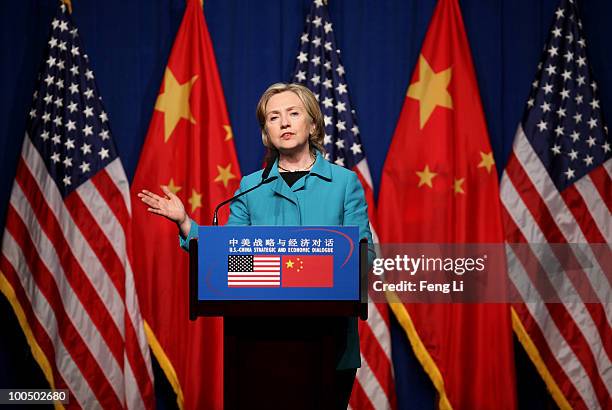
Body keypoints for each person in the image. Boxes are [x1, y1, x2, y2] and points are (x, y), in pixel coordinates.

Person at [138, 82, 372, 409]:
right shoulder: (250, 186)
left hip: (326, 340)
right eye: (274, 118)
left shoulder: (345, 183)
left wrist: (304, 270)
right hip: (257, 341)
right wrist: (187, 225)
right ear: (266, 132)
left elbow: (363, 256)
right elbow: (232, 255)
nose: (285, 123)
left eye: (293, 113)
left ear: (313, 124)